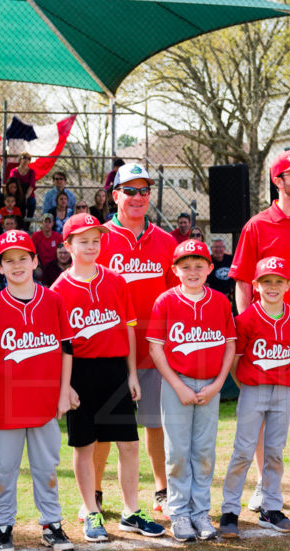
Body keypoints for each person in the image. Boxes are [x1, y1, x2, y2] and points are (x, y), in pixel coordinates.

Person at [49, 214, 163, 542]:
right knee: (84, 446)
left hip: (114, 370)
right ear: (68, 245)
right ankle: (92, 512)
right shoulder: (60, 289)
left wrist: (131, 374)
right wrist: (65, 384)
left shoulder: (115, 280)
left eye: (96, 240)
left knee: (128, 444)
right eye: (83, 240)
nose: (91, 246)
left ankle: (131, 511)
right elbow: (61, 345)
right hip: (81, 372)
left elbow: (127, 329)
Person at [229, 149, 290, 511]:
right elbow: (241, 282)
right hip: (269, 341)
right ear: (278, 180)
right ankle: (261, 485)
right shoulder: (257, 225)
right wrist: (249, 330)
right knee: (262, 415)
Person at [0, 230, 76, 551]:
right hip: (6, 405)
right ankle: (3, 527)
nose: (17, 265)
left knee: (46, 467)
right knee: (5, 469)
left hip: (45, 401)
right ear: (0, 267)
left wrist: (65, 391)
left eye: (23, 257)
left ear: (36, 261)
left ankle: (51, 524)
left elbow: (67, 348)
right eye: (9, 260)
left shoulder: (53, 300)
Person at [96, 162, 178, 515]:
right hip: (111, 353)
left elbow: (176, 298)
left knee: (157, 425)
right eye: (129, 190)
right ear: (115, 195)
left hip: (155, 351)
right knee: (104, 428)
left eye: (144, 190)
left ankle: (162, 489)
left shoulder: (165, 241)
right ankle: (95, 491)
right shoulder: (98, 238)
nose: (138, 197)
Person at [147, 239, 236, 541]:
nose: (193, 271)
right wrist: (177, 386)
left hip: (210, 385)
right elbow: (156, 349)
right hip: (177, 384)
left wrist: (218, 385)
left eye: (199, 265)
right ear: (175, 270)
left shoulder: (221, 302)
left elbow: (230, 345)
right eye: (186, 266)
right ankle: (179, 513)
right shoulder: (165, 301)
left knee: (204, 452)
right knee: (177, 453)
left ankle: (200, 512)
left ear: (211, 268)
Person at [218, 256, 290, 538]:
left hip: (281, 391)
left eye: (278, 282)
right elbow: (235, 360)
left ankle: (271, 508)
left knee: (275, 452)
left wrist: (279, 381)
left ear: (287, 285)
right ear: (255, 285)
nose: (272, 286)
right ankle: (230, 510)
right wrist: (247, 385)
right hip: (252, 389)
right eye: (266, 281)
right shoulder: (245, 320)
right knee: (243, 451)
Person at [8, 153, 37, 218]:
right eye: (24, 157)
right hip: (17, 193)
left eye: (28, 159)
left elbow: (31, 186)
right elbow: (12, 184)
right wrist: (19, 196)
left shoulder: (31, 172)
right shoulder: (14, 171)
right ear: (20, 159)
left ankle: (27, 224)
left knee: (32, 202)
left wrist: (25, 197)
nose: (26, 160)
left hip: (28, 194)